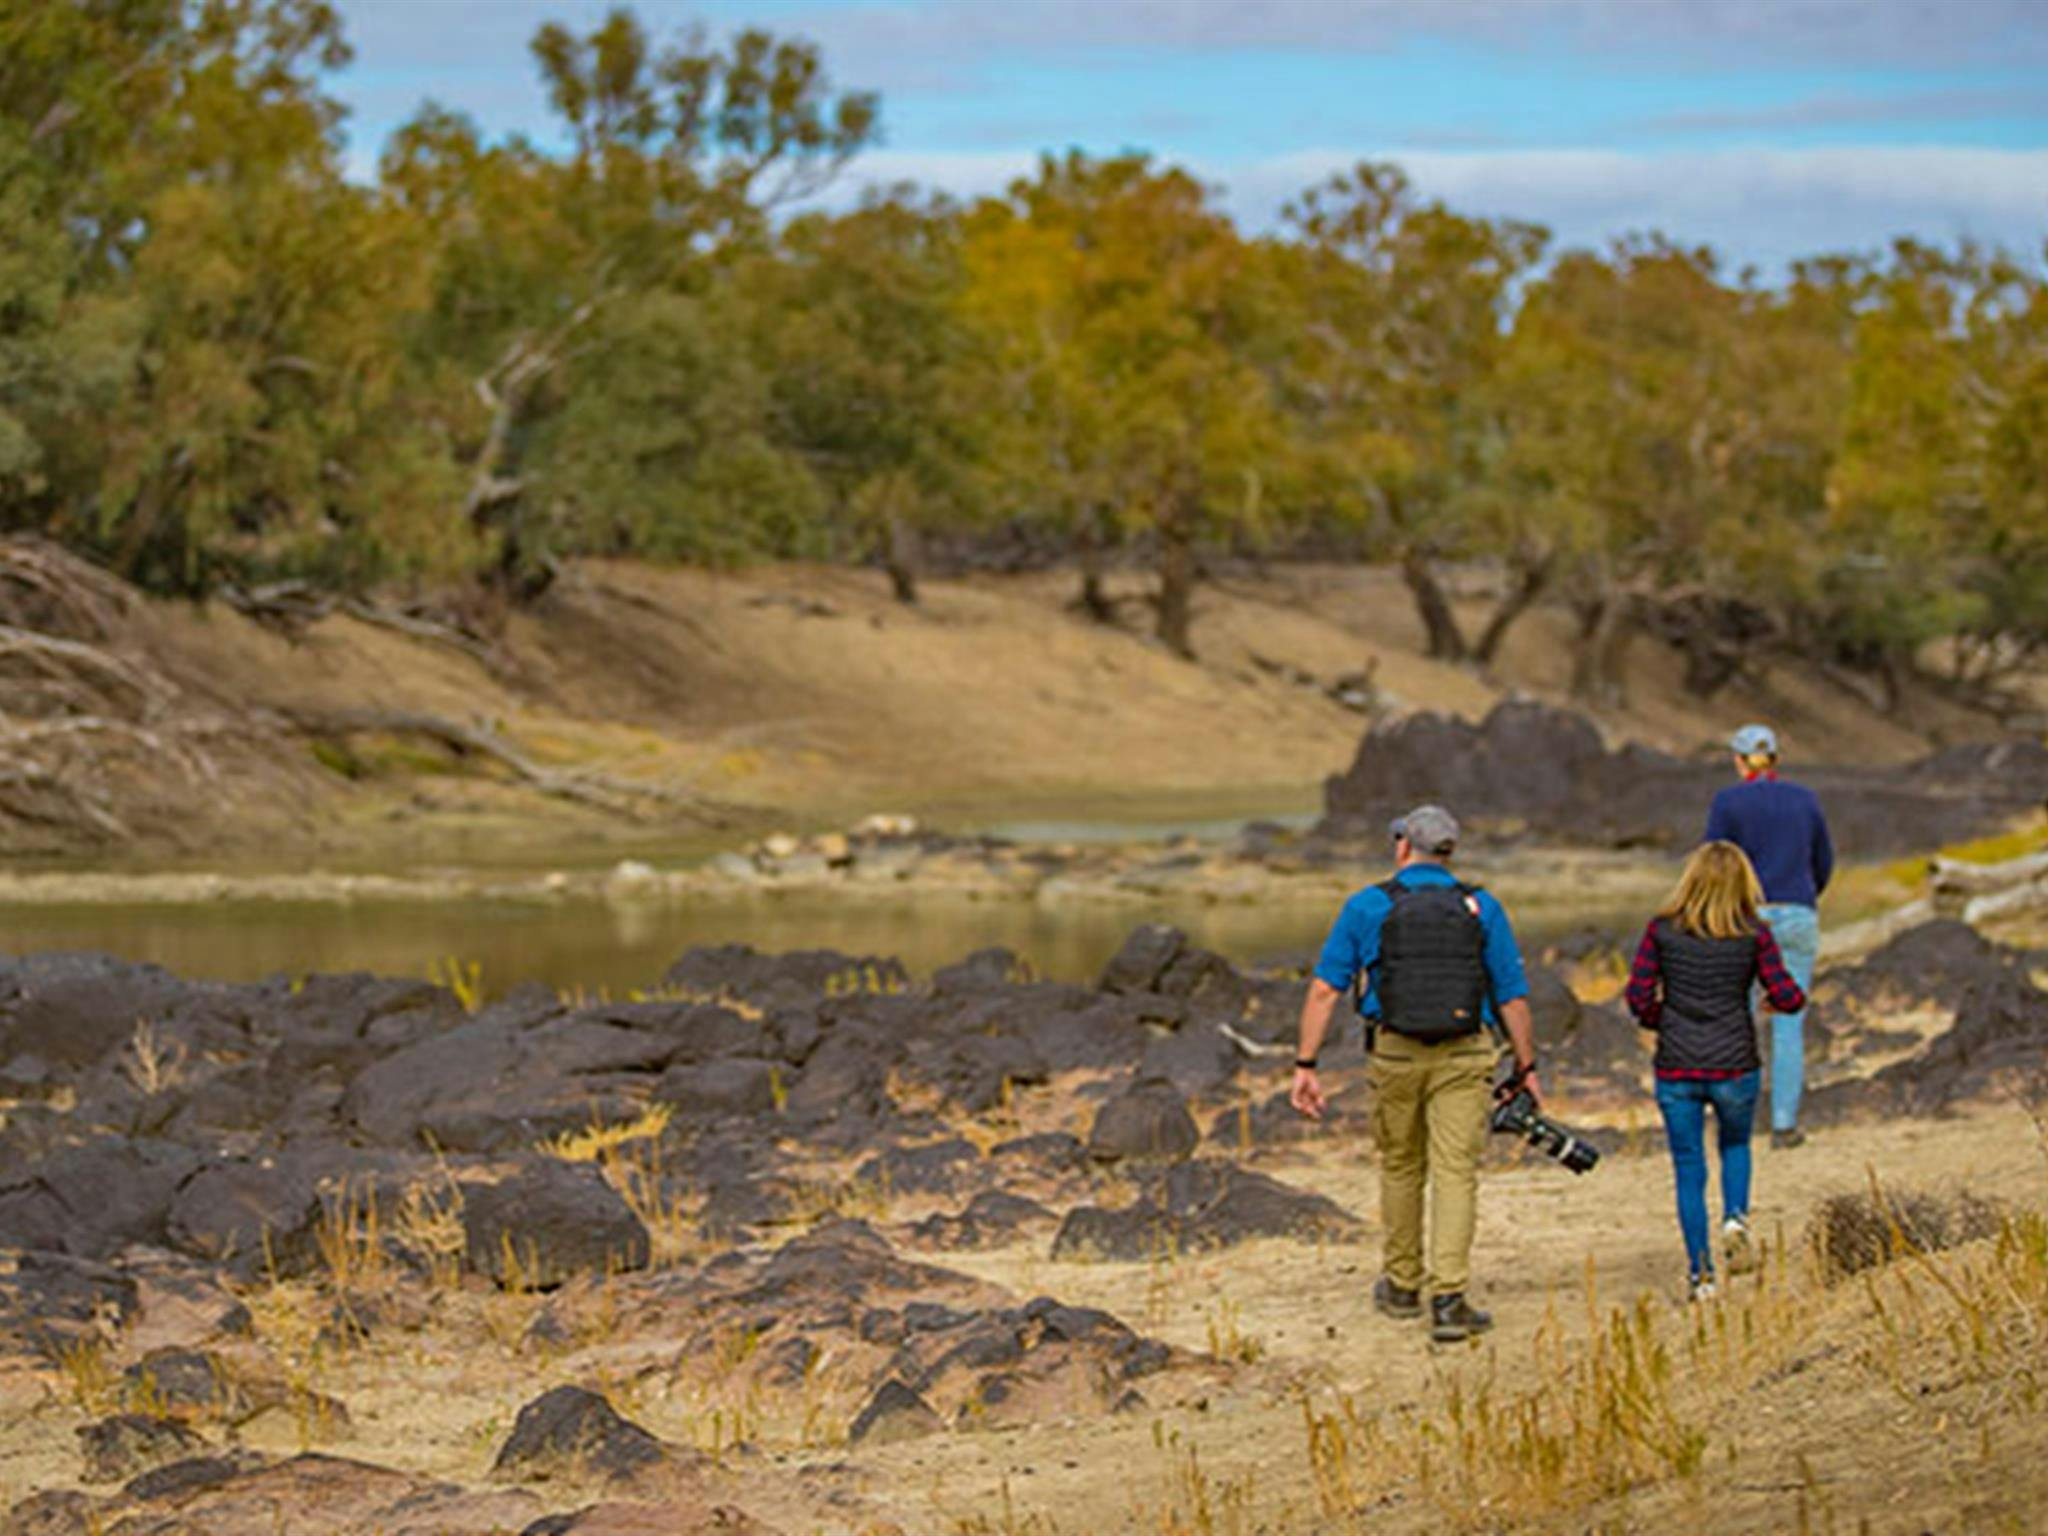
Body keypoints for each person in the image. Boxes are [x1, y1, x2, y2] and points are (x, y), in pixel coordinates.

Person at [1290, 804, 1539, 1344]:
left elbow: (1325, 989)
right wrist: (1527, 1066)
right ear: (1450, 851)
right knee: (1455, 1172)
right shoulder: (1483, 907)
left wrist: (1306, 1064)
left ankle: (1402, 1286)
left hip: (1394, 1053)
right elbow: (1512, 996)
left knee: (1402, 1166)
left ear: (1402, 846)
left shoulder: (1367, 905)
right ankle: (1449, 1302)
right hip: (1464, 1055)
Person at [1625, 840, 1807, 1301]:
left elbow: (1638, 996)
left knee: (1688, 1168)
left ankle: (1701, 1276)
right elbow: (1788, 994)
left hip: (1677, 1065)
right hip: (1734, 1063)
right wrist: (1773, 1002)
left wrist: (1661, 1019)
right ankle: (1735, 1217)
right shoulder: (1753, 933)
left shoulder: (1661, 931)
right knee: (1735, 1144)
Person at [1703, 724, 1832, 1148]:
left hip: (1744, 916)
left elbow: (1713, 864)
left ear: (1739, 761)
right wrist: (1802, 896)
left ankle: (1734, 1121)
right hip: (1796, 912)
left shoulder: (1728, 802)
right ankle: (1783, 1125)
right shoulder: (1805, 800)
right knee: (1788, 1023)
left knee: (1735, 1019)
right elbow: (1823, 861)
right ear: (1775, 758)